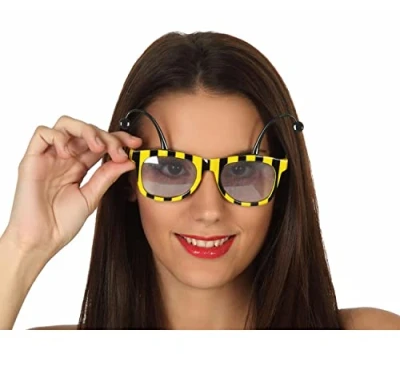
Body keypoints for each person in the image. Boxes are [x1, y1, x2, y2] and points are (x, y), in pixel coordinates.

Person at [0, 31, 399, 330]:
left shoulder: (371, 343)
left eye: (242, 170)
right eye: (173, 169)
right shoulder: (55, 357)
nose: (209, 211)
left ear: (281, 184)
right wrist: (25, 244)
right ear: (127, 179)